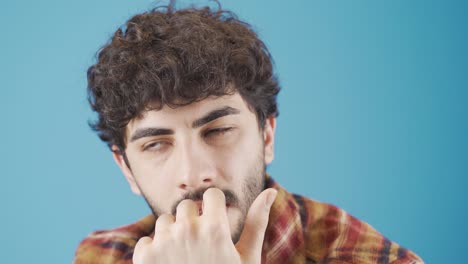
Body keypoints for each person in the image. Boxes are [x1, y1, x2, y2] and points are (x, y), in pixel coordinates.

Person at [74, 2, 423, 263]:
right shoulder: (102, 256)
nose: (194, 174)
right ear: (127, 170)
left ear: (267, 136)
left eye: (219, 130)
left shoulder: (366, 257)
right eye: (156, 144)